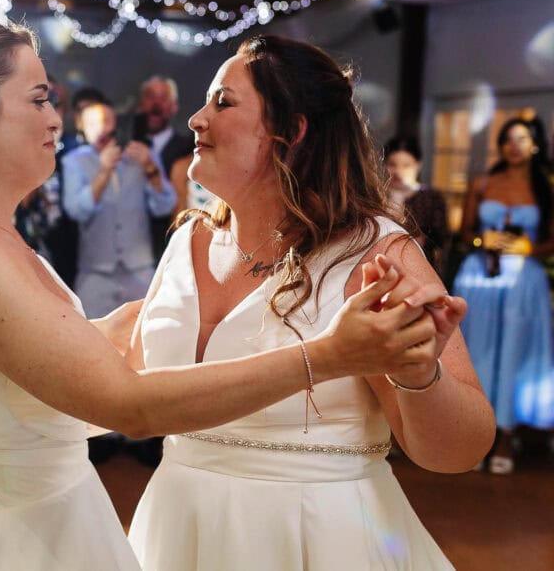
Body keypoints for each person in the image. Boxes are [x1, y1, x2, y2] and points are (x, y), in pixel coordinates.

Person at [0, 10, 450, 571]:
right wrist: (328, 354)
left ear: (290, 133)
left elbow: (43, 355)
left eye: (223, 101)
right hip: (11, 541)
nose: (57, 119)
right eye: (38, 99)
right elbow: (127, 403)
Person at [126, 35, 495, 570]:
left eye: (222, 102)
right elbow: (129, 381)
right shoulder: (188, 241)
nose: (196, 120)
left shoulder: (373, 254)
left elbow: (458, 452)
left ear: (291, 131)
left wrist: (418, 375)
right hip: (178, 525)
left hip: (316, 537)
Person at [452, 117, 554, 475]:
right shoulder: (483, 183)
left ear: (535, 145)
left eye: (522, 139)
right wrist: (482, 240)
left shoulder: (546, 188)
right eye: (508, 140)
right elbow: (465, 233)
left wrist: (530, 247)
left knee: (513, 354)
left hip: (522, 279)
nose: (514, 146)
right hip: (481, 275)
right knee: (476, 352)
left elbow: (550, 241)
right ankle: (476, 434)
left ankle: (508, 435)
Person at [62, 102, 176, 318]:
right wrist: (103, 173)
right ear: (83, 128)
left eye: (107, 121)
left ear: (117, 123)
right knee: (91, 335)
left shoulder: (142, 156)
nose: (102, 128)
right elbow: (76, 211)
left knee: (146, 334)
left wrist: (150, 168)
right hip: (95, 272)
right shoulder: (74, 161)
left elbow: (164, 207)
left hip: (139, 269)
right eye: (94, 123)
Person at [136, 76, 193, 259]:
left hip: (173, 249)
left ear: (174, 107)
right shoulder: (126, 150)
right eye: (150, 96)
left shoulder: (189, 149)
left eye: (163, 98)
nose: (156, 103)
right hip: (134, 255)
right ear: (140, 104)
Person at [384, 135, 450, 272]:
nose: (398, 171)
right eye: (392, 164)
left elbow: (441, 239)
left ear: (418, 165)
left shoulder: (430, 198)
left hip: (418, 267)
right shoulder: (375, 196)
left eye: (406, 165)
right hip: (380, 264)